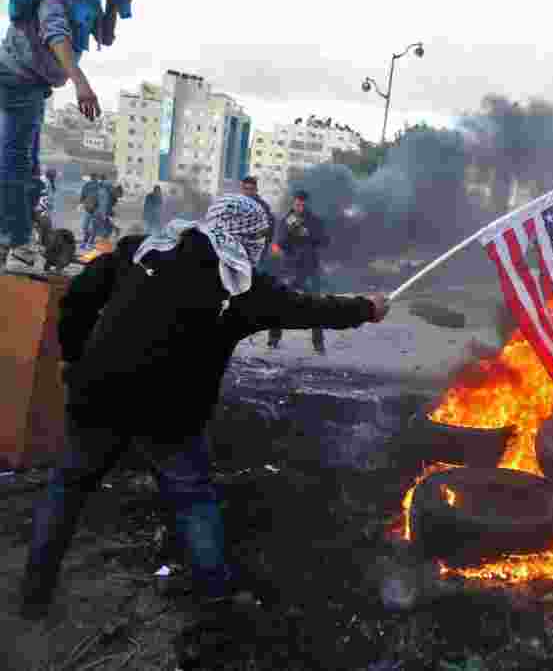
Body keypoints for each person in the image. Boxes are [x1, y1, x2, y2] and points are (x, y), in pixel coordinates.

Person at [19, 194, 390, 620]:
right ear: (251, 237)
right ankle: (216, 594)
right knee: (192, 497)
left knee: (68, 485)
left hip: (99, 394)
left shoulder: (145, 249)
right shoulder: (243, 286)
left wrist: (75, 354)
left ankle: (34, 591)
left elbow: (81, 297)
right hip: (172, 414)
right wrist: (368, 308)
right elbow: (309, 309)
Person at [0, 0, 131, 271]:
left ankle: (21, 237)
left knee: (27, 163)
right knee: (16, 162)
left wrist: (112, 1)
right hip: (15, 77)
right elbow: (55, 35)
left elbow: (105, 36)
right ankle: (16, 243)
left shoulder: (87, 0)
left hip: (34, 85)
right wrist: (81, 84)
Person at [268, 189, 331, 354]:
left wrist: (308, 234)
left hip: (310, 268)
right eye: (297, 204)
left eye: (302, 204)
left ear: (306, 204)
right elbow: (280, 243)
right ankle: (273, 340)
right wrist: (290, 235)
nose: (299, 207)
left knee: (316, 305)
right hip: (290, 267)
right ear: (293, 203)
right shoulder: (287, 220)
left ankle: (318, 344)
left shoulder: (315, 221)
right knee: (279, 302)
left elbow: (324, 241)